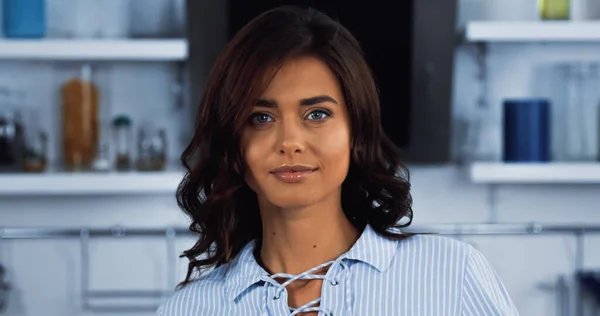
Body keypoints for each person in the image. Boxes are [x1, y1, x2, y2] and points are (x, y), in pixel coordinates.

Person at [157, 5, 519, 316]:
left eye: (317, 114)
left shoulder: (450, 275)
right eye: (261, 118)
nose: (290, 143)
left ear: (356, 132)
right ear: (234, 147)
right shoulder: (189, 309)